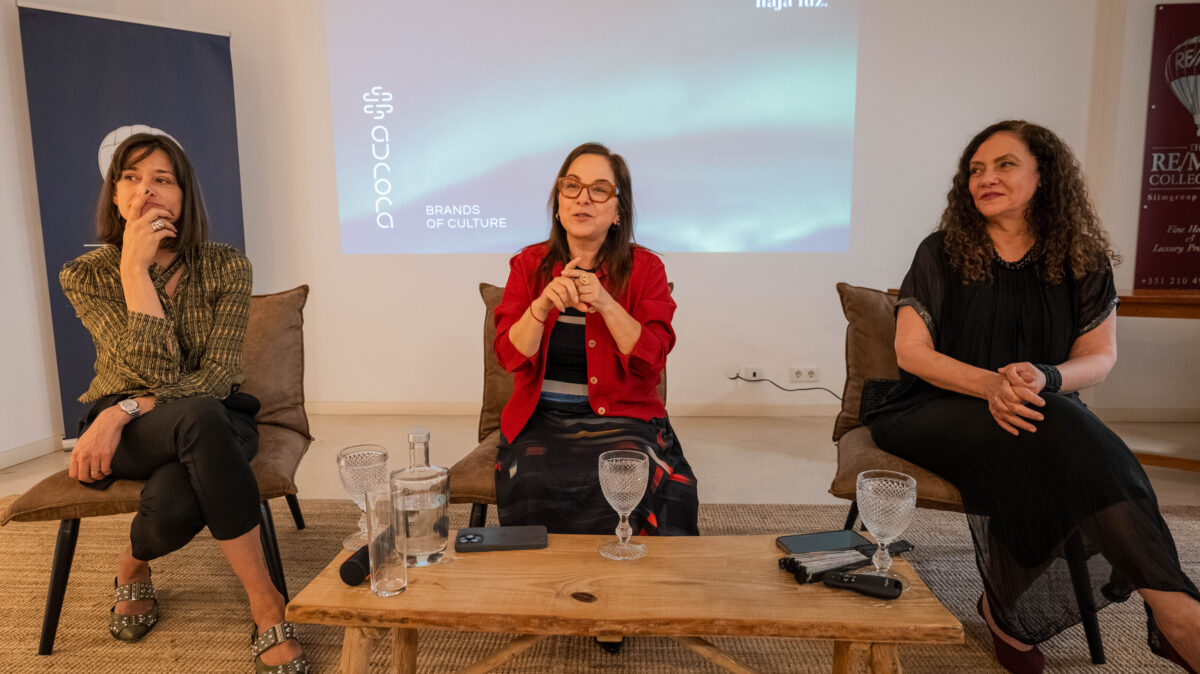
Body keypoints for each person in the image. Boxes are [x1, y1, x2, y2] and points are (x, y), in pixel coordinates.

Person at [866, 120, 1199, 673]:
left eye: (1004, 165)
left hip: (1043, 407)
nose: (985, 178)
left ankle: (1008, 606)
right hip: (931, 407)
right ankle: (1179, 614)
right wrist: (991, 385)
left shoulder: (1082, 256)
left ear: (1044, 175)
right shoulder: (941, 249)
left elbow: (1098, 358)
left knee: (1048, 431)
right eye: (976, 169)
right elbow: (912, 353)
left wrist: (1044, 378)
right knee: (1060, 432)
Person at [60, 133, 308, 673]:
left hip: (199, 416)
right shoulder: (86, 274)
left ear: (183, 194)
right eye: (131, 178)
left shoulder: (226, 265)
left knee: (178, 492)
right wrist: (134, 269)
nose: (145, 190)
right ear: (115, 195)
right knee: (196, 416)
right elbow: (147, 372)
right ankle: (267, 603)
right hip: (135, 436)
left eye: (162, 180)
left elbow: (216, 377)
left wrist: (123, 410)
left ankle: (131, 564)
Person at [492, 142, 699, 538]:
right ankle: (547, 573)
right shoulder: (528, 265)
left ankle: (621, 568)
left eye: (599, 189)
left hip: (623, 418)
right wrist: (541, 306)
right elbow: (509, 356)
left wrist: (605, 302)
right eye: (572, 186)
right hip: (542, 418)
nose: (582, 198)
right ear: (558, 204)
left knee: (626, 476)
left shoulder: (646, 269)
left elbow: (651, 361)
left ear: (619, 212)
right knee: (531, 476)